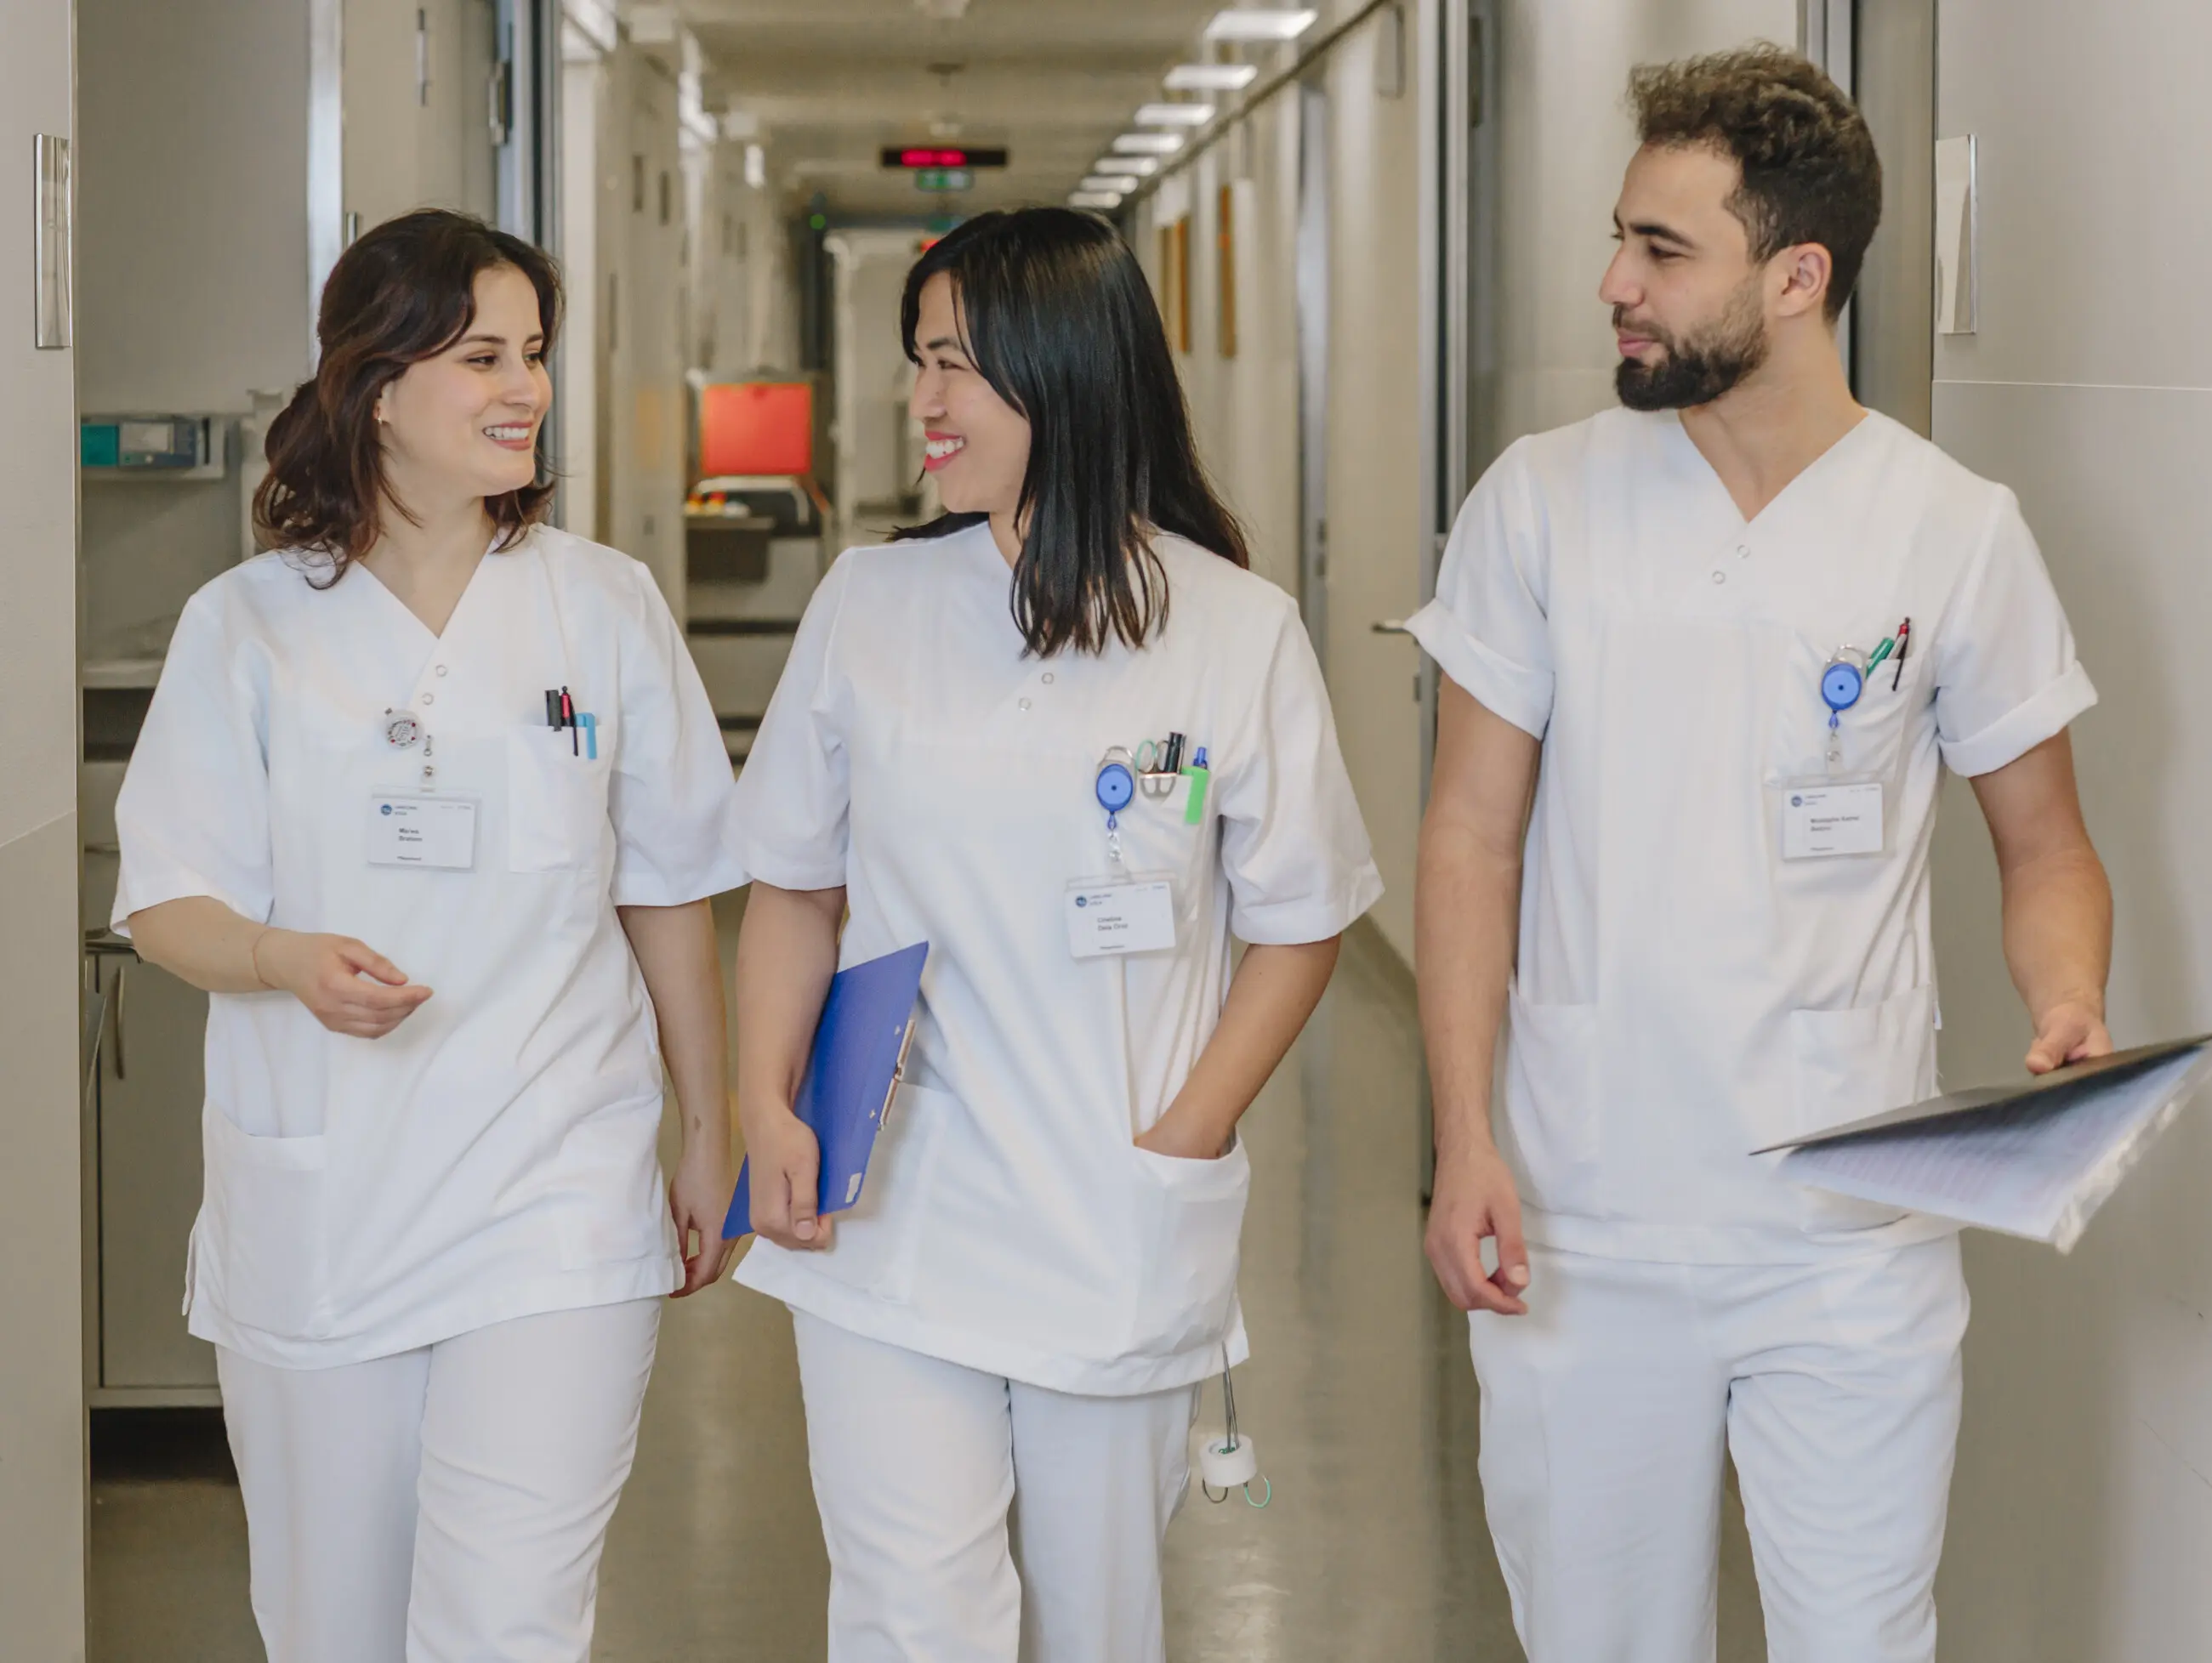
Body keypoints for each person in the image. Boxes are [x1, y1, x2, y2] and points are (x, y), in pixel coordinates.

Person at [1409, 47, 2111, 1663]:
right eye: (1622, 241)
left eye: (1664, 253)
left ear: (1798, 277)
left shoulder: (1951, 530)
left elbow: (2047, 846)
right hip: (1581, 1220)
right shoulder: (1543, 507)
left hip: (1850, 1228)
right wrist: (1464, 1138)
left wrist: (2066, 997)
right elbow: (1467, 838)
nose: (1614, 286)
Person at [726, 207, 1381, 1663]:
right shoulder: (870, 603)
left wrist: (1187, 1133)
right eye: (919, 362)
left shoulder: (1233, 628)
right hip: (887, 1207)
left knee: (1101, 1625)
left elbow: (1301, 923)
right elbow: (792, 882)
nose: (924, 402)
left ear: (1065, 369)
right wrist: (758, 1098)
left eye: (956, 363)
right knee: (910, 1621)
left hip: (1112, 1205)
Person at [113, 208, 745, 1662]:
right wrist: (282, 960)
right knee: (330, 1628)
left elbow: (666, 885)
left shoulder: (605, 606)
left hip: (559, 1190)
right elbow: (167, 900)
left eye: (532, 353)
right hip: (329, 1204)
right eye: (481, 356)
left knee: (508, 1623)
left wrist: (701, 1124)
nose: (524, 386)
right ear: (378, 384)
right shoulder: (251, 626)